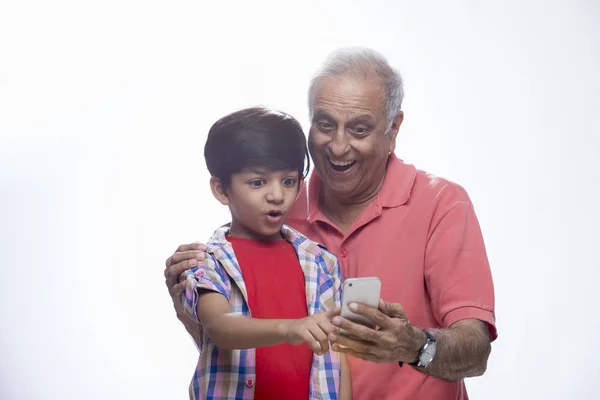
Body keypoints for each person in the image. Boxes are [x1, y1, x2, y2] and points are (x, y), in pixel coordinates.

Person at [165, 47, 497, 400]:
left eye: (359, 129)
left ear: (394, 128)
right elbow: (237, 348)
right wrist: (190, 307)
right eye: (325, 124)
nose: (339, 147)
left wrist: (414, 345)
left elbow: (475, 351)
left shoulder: (441, 203)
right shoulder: (275, 213)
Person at [178, 106, 351, 400]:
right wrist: (290, 329)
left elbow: (337, 355)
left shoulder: (321, 262)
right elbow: (219, 326)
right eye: (258, 182)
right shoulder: (207, 262)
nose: (277, 194)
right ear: (221, 189)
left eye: (288, 180)